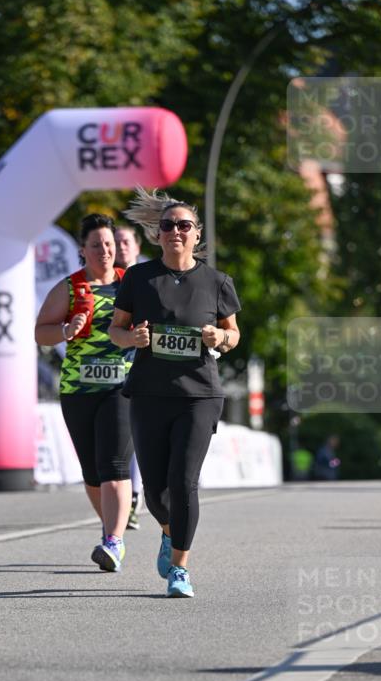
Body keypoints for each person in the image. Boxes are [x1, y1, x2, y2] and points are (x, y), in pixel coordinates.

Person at [109, 187, 241, 598]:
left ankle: (180, 568)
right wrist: (133, 339)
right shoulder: (139, 278)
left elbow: (234, 335)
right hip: (149, 394)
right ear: (158, 234)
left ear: (197, 235)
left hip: (199, 395)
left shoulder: (217, 282)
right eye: (168, 225)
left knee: (184, 483)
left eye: (184, 226)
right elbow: (116, 330)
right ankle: (170, 531)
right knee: (156, 493)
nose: (176, 232)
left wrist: (219, 335)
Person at [35, 214, 133, 571]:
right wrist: (65, 329)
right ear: (82, 250)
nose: (105, 251)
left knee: (114, 465)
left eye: (109, 244)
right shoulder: (70, 287)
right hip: (78, 388)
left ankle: (114, 541)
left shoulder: (130, 284)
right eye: (97, 245)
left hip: (121, 387)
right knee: (92, 471)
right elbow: (40, 333)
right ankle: (113, 527)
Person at [114, 223, 144, 530]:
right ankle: (124, 498)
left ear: (137, 247)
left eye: (126, 242)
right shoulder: (101, 281)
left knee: (135, 433)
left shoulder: (146, 278)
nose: (120, 247)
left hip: (140, 365)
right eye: (116, 241)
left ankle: (133, 495)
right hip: (110, 367)